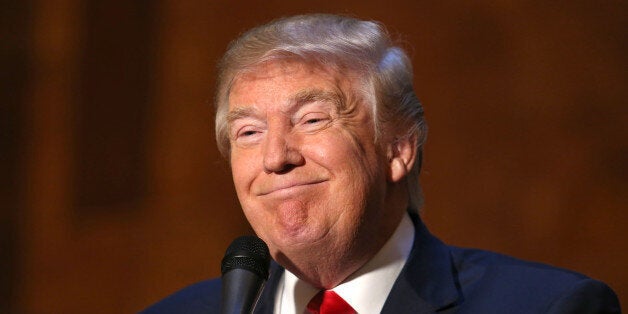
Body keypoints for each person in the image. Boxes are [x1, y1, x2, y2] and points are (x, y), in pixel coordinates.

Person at [142, 14, 620, 313]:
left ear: (398, 150)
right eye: (249, 132)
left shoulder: (548, 306)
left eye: (311, 120)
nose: (275, 157)